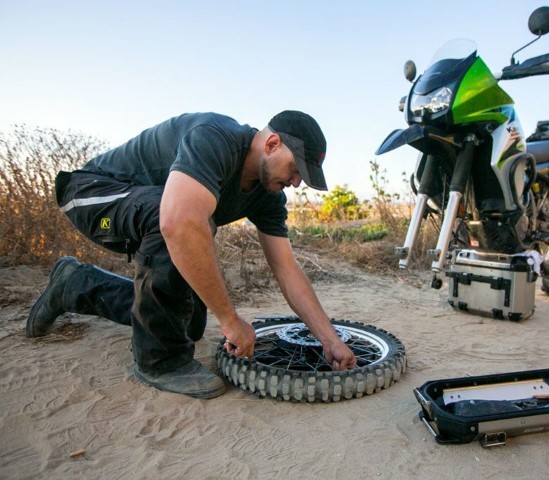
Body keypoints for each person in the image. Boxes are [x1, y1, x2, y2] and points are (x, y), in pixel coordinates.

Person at [25, 111, 357, 399]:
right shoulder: (215, 138)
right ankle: (160, 361)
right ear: (271, 144)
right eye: (296, 169)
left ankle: (75, 284)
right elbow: (178, 223)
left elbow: (286, 268)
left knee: (189, 322)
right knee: (179, 216)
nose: (297, 183)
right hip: (92, 193)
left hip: (150, 210)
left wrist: (329, 339)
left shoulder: (268, 195)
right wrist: (230, 320)